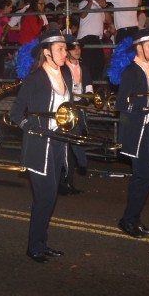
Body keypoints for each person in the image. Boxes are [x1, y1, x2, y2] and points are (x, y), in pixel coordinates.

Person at [9, 30, 72, 263]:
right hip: (39, 146)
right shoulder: (34, 78)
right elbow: (15, 113)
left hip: (57, 143)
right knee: (45, 197)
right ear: (47, 53)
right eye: (60, 49)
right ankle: (34, 246)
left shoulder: (64, 75)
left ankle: (41, 243)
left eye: (65, 49)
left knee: (50, 196)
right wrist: (30, 127)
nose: (65, 53)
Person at [114, 32, 149, 237]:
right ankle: (128, 219)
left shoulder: (148, 68)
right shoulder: (131, 71)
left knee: (139, 178)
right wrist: (143, 109)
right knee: (146, 176)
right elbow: (121, 103)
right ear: (139, 47)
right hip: (136, 130)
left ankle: (132, 220)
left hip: (148, 128)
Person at [63, 38, 92, 193]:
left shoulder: (84, 68)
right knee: (67, 147)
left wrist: (86, 99)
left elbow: (89, 88)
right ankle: (63, 181)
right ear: (67, 51)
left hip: (79, 109)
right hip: (67, 111)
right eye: (73, 48)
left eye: (79, 47)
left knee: (74, 145)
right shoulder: (62, 69)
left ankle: (69, 182)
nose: (77, 50)